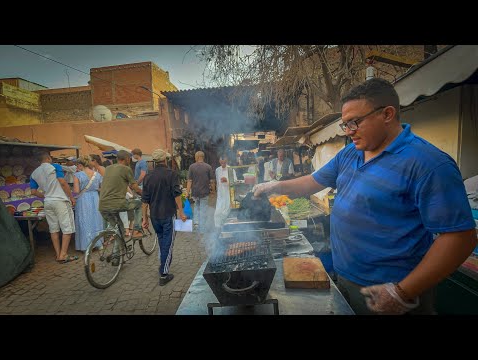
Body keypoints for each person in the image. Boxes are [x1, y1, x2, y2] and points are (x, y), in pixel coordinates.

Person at [254, 78, 477, 315]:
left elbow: (460, 238)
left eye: (355, 123)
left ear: (387, 114)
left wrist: (402, 292)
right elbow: (313, 182)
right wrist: (275, 185)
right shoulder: (351, 152)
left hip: (390, 293)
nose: (349, 132)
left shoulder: (428, 164)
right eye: (345, 124)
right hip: (345, 279)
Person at [142, 149, 187, 286]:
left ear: (154, 162)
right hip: (168, 214)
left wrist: (144, 218)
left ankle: (163, 265)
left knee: (162, 241)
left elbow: (144, 200)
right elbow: (177, 194)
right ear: (165, 160)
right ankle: (164, 273)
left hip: (154, 216)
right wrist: (181, 212)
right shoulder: (171, 174)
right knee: (168, 242)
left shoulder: (148, 176)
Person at [30, 150, 78, 263]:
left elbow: (33, 191)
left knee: (53, 229)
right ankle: (64, 255)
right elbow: (62, 182)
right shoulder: (54, 166)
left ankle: (58, 254)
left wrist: (46, 195)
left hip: (48, 202)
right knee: (68, 228)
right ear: (48, 158)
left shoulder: (34, 173)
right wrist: (71, 197)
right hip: (60, 201)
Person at [99, 150, 143, 244]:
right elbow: (134, 186)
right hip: (117, 204)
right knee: (139, 204)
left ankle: (117, 255)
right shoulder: (126, 169)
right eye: (129, 159)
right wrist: (145, 195)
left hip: (102, 205)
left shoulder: (108, 168)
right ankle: (137, 230)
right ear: (127, 159)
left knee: (120, 229)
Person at [73, 155, 103, 252]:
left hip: (83, 199)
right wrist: (94, 189)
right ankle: (98, 243)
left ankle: (86, 245)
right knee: (96, 220)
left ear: (80, 165)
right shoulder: (97, 174)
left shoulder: (77, 175)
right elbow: (101, 188)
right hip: (95, 197)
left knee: (84, 220)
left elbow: (76, 191)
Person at [186, 151, 215, 233]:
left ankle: (196, 224)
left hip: (195, 192)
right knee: (203, 209)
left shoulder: (192, 167)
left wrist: (187, 193)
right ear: (203, 157)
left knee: (196, 207)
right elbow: (212, 181)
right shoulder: (208, 167)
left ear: (196, 157)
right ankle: (202, 226)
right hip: (204, 192)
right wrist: (213, 191)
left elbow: (189, 181)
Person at [214, 155, 237, 228]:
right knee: (218, 211)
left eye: (224, 163)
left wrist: (227, 181)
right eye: (221, 163)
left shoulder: (231, 169)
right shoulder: (217, 170)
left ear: (226, 162)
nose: (223, 164)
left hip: (228, 192)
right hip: (220, 193)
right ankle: (218, 227)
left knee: (226, 211)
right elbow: (217, 182)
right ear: (219, 162)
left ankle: (224, 225)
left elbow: (235, 181)